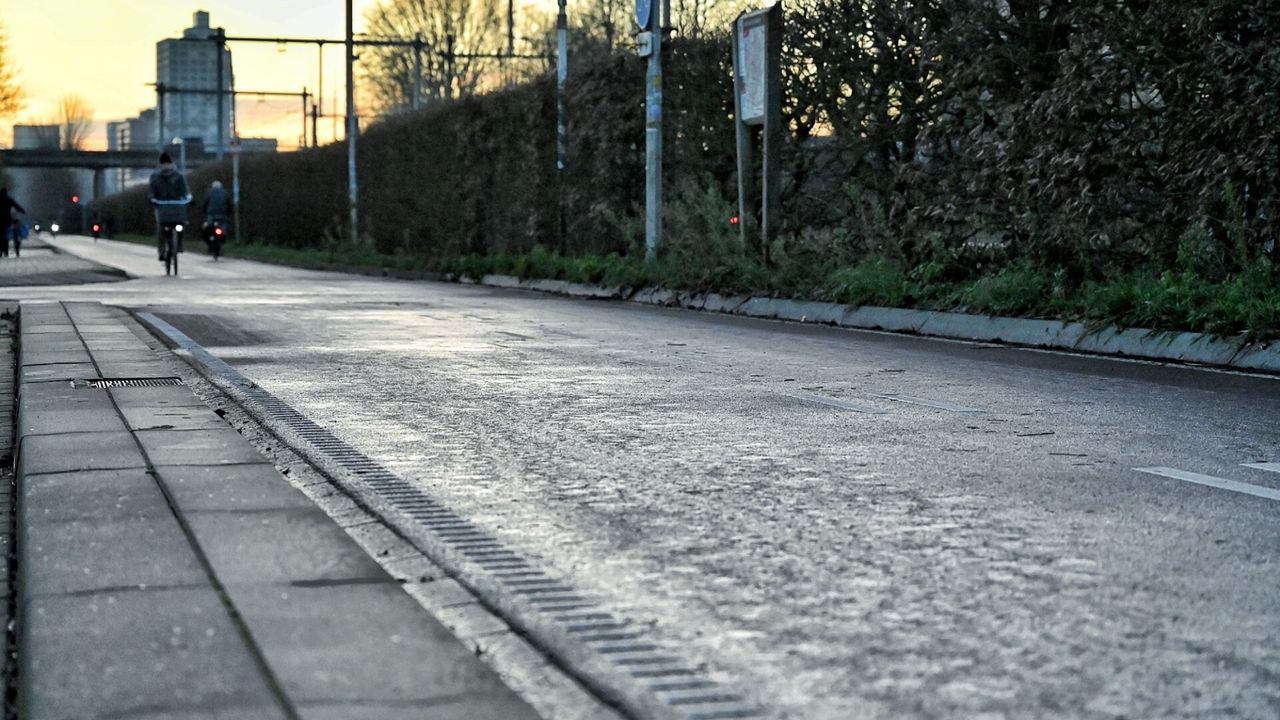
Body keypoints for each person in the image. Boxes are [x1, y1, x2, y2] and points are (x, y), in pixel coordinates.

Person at [147, 152, 192, 261]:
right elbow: (151, 191)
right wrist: (152, 198)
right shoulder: (155, 177)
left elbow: (184, 190)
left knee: (181, 225)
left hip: (176, 206)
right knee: (161, 228)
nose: (166, 166)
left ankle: (179, 245)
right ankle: (162, 251)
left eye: (167, 163)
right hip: (161, 206)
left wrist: (188, 197)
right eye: (164, 164)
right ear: (160, 165)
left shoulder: (178, 176)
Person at [0, 187, 25, 259]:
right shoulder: (9, 200)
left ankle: (2, 250)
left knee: (1, 235)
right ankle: (6, 251)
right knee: (6, 235)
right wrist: (22, 211)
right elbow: (17, 206)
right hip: (6, 220)